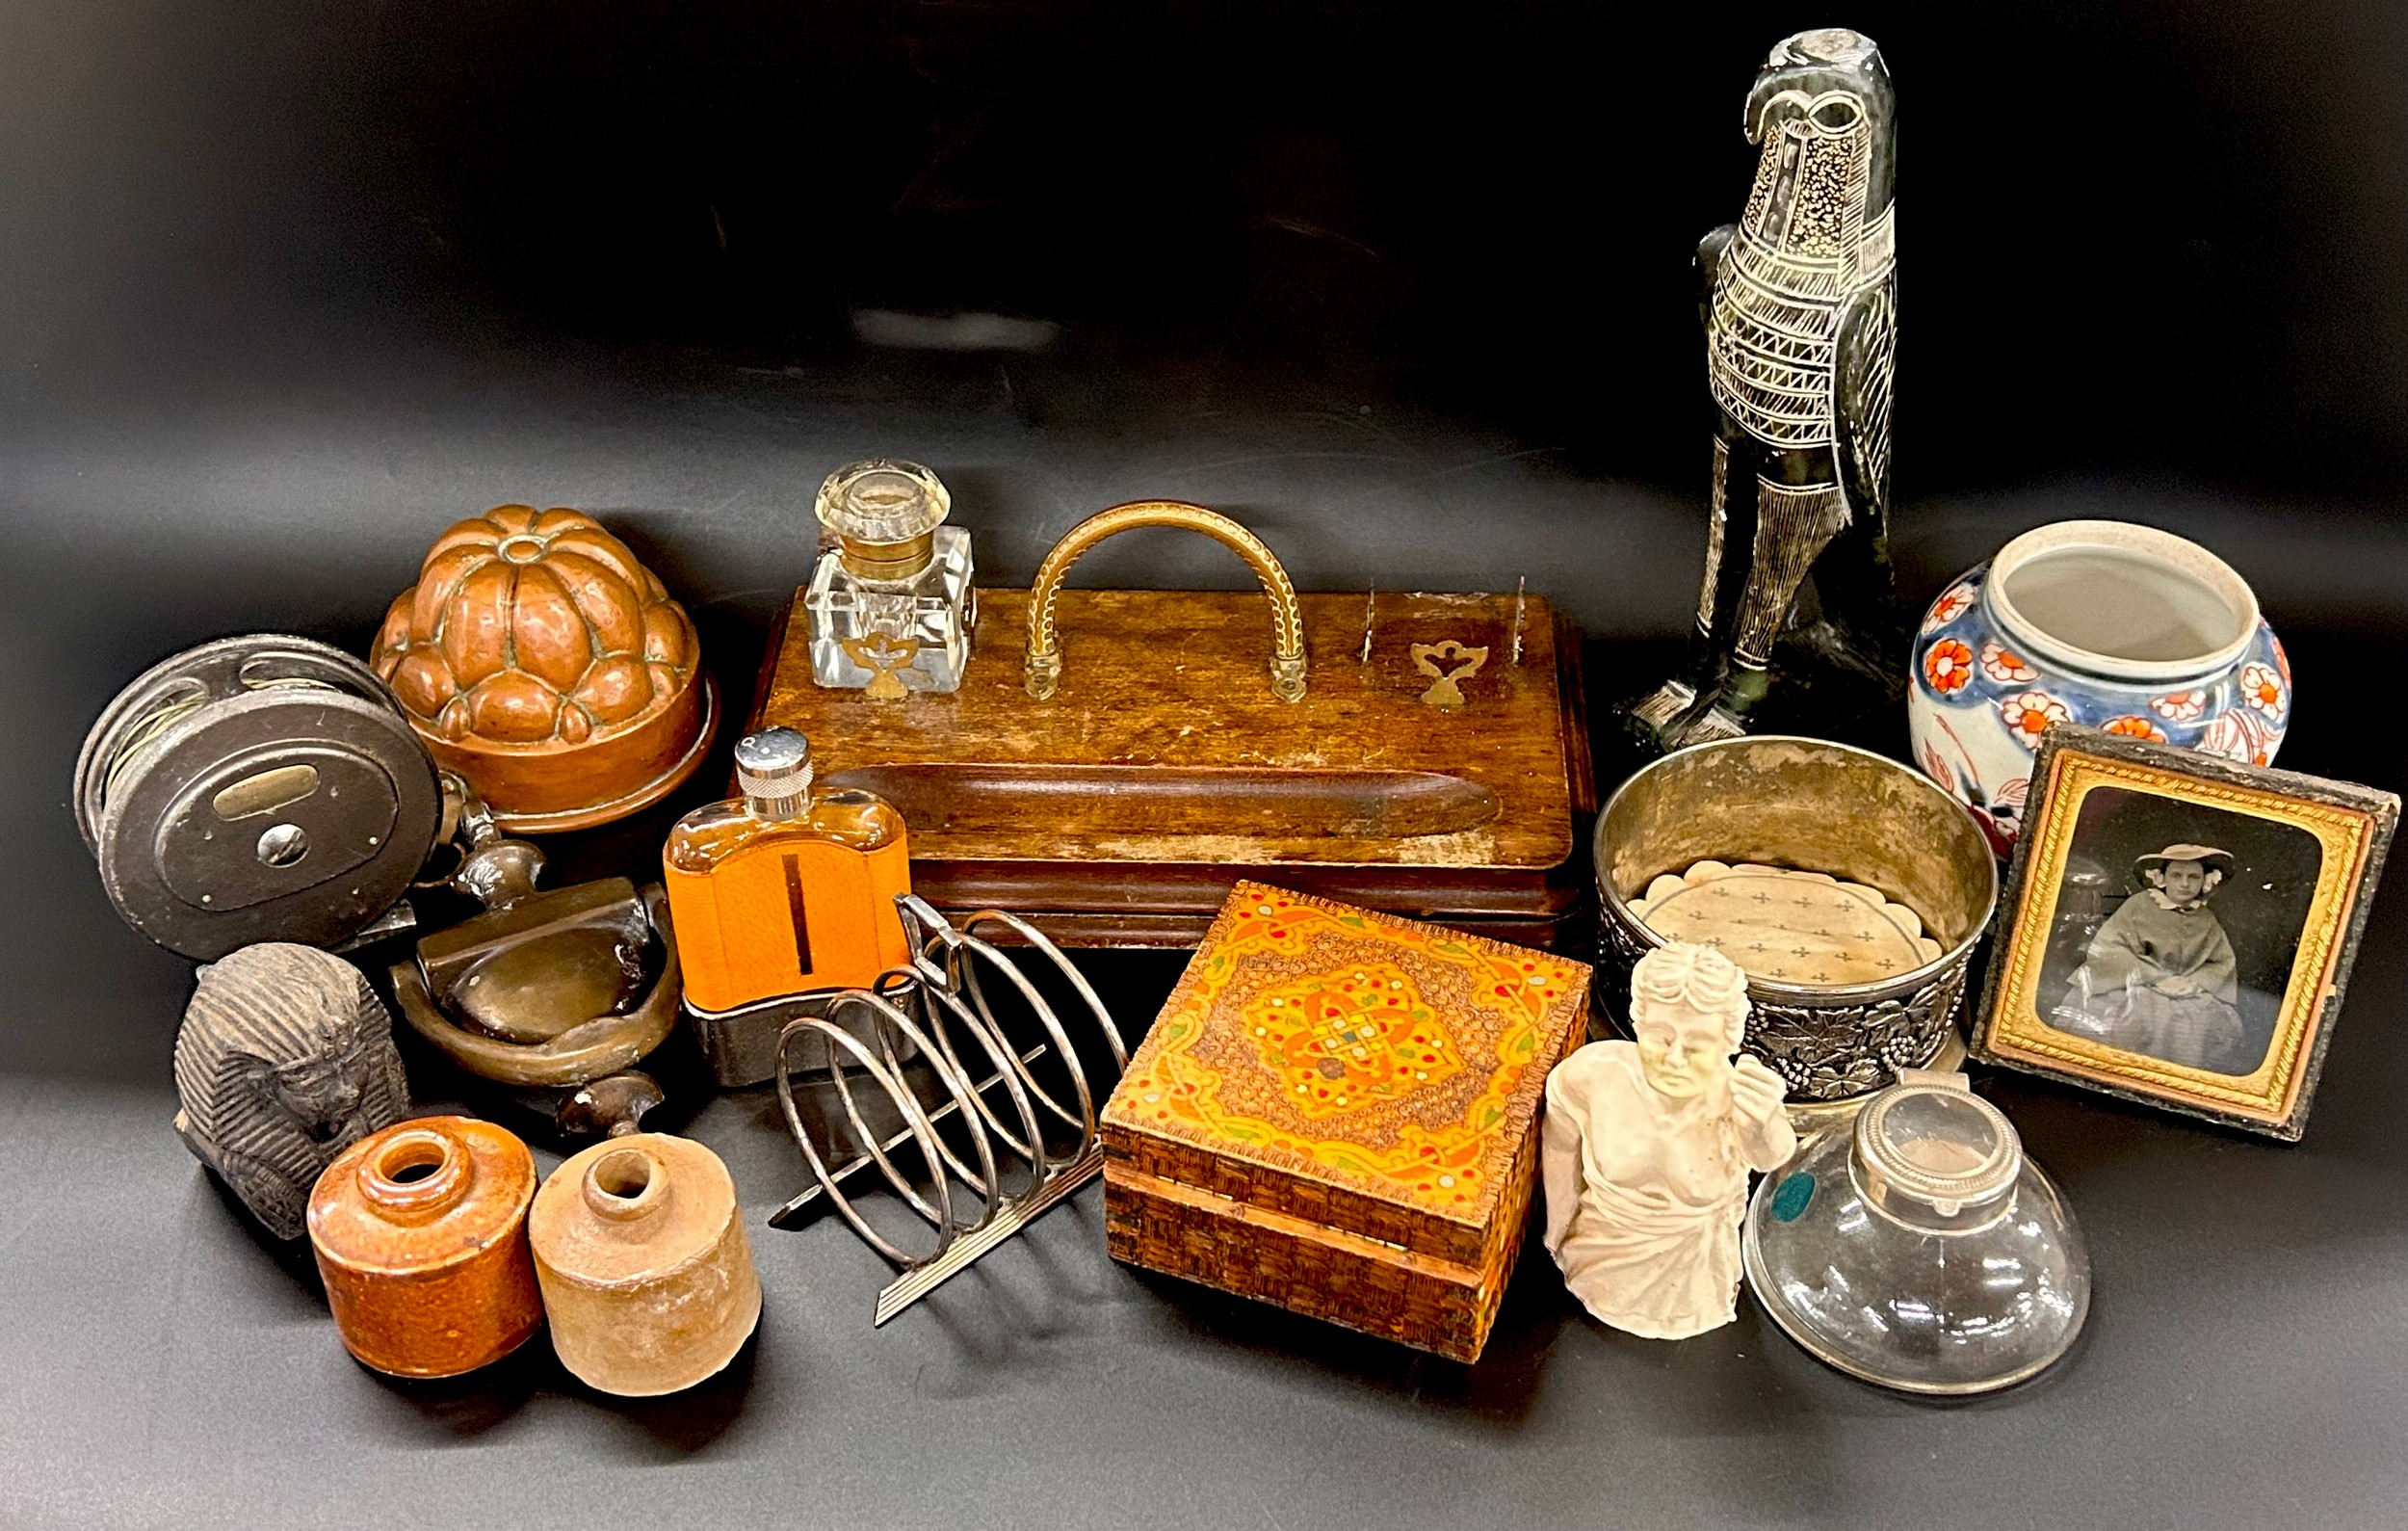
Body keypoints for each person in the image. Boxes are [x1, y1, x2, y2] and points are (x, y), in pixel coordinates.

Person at [1541, 942, 1794, 1340]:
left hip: (1693, 1285)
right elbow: (1560, 1149)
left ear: (1728, 1041)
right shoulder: (1593, 1076)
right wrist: (1556, 1230)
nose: (1675, 1059)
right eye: (1660, 1037)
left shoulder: (1739, 1103)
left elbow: (1772, 1157)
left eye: (1696, 1046)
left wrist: (1762, 1123)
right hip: (1596, 1263)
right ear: (1638, 1023)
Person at [2052, 843, 2246, 1071]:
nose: (2184, 884)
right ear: (2161, 877)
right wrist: (2156, 977)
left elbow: (2221, 963)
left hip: (2185, 993)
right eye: (2176, 875)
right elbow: (2111, 948)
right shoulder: (2138, 906)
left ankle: (2169, 1080)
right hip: (2133, 985)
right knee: (2140, 1014)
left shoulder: (2207, 920)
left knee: (2197, 1021)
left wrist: (2194, 982)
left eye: (2193, 877)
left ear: (2205, 881)